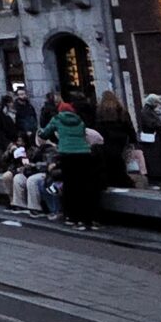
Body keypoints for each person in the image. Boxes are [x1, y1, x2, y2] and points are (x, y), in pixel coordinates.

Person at [45, 98, 99, 230]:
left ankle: (74, 218)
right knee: (85, 184)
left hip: (67, 154)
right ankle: (89, 219)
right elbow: (82, 135)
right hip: (84, 154)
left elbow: (45, 132)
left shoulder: (57, 119)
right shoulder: (79, 121)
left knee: (71, 185)